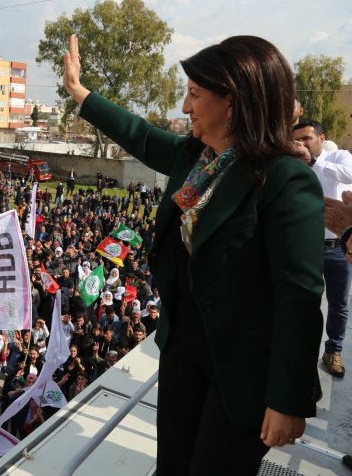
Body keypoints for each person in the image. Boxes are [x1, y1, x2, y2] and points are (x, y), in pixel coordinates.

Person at [63, 34, 324, 474]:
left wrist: (287, 399)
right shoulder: (198, 159)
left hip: (241, 372)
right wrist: (78, 92)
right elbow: (139, 135)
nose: (185, 108)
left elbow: (298, 297)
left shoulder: (285, 182)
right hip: (185, 352)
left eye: (195, 95)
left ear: (233, 102)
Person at [293, 119, 352, 378]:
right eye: (297, 140)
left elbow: (350, 176)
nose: (301, 144)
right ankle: (304, 353)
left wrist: (315, 163)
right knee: (307, 302)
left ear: (321, 137)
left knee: (339, 303)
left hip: (340, 247)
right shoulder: (295, 165)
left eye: (306, 138)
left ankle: (333, 350)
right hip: (309, 246)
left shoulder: (340, 156)